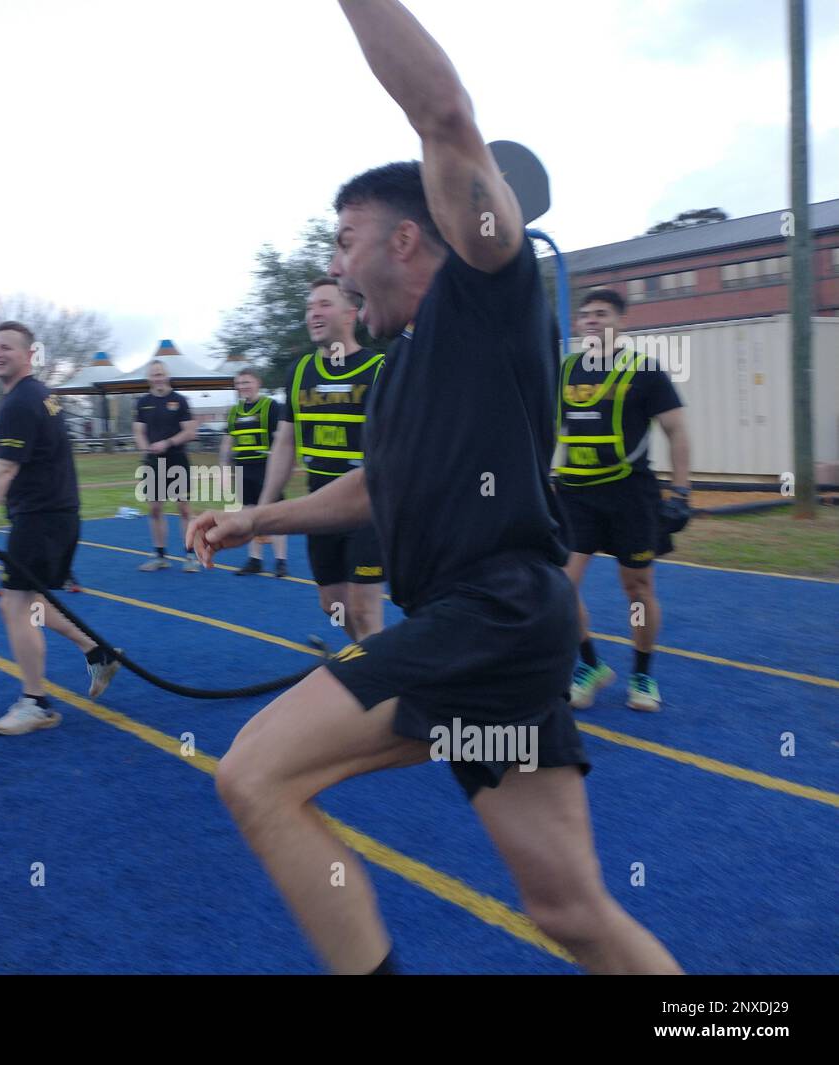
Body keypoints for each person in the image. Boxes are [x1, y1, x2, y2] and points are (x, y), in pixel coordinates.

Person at [186, 0, 680, 975]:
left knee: (253, 776)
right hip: (505, 635)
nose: (331, 268)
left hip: (487, 618)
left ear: (407, 240)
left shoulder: (484, 294)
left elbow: (444, 116)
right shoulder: (400, 365)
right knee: (572, 909)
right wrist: (260, 517)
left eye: (342, 243)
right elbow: (380, 486)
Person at [0, 322, 120, 735]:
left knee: (14, 606)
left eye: (6, 347)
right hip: (53, 515)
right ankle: (97, 651)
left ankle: (35, 702)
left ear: (29, 354)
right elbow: (20, 449)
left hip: (41, 517)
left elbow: (5, 469)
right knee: (32, 603)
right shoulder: (39, 396)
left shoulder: (20, 401)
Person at [557, 289, 692, 712]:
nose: (592, 321)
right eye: (585, 316)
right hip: (574, 494)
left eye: (601, 314)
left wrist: (682, 492)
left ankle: (642, 674)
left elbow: (677, 432)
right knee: (559, 588)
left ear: (622, 322)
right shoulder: (563, 372)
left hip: (630, 495)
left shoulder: (645, 373)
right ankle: (590, 666)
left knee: (636, 588)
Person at [258, 279, 385, 639]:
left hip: (366, 505)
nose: (313, 313)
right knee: (331, 606)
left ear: (351, 314)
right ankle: (366, 661)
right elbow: (284, 443)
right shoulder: (299, 372)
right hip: (319, 506)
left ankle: (377, 687)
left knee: (364, 608)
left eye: (324, 305)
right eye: (310, 306)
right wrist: (264, 509)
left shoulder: (379, 369)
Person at [133, 360, 200, 572]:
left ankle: (190, 556)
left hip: (177, 459)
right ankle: (160, 555)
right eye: (154, 374)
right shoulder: (143, 402)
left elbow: (190, 432)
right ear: (149, 379)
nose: (158, 377)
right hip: (153, 463)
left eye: (161, 374)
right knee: (154, 508)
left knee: (184, 508)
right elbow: (138, 432)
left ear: (167, 376)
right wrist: (147, 450)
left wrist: (167, 443)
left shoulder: (179, 401)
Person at [220, 367, 288, 577]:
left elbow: (281, 438)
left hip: (266, 467)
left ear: (257, 382)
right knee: (249, 514)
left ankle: (280, 561)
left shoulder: (271, 406)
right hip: (243, 468)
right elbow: (228, 440)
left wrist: (282, 465)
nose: (242, 387)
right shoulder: (234, 411)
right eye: (239, 384)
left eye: (246, 382)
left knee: (273, 514)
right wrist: (223, 466)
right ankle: (255, 559)